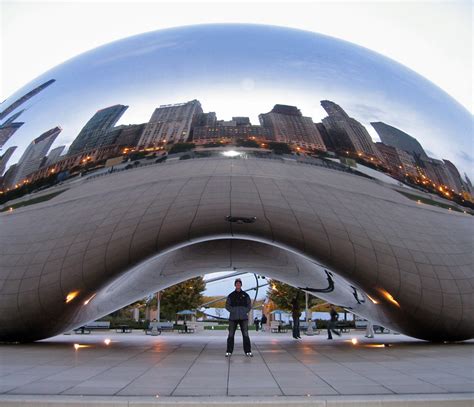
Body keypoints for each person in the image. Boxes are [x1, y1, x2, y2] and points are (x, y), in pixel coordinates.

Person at [225, 278, 252, 357]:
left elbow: (249, 305)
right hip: (233, 318)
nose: (238, 285)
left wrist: (244, 311)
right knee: (231, 334)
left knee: (246, 334)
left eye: (239, 284)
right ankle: (229, 351)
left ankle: (248, 351)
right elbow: (227, 306)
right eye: (237, 284)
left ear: (241, 285)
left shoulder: (245, 295)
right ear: (235, 285)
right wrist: (233, 311)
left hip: (243, 318)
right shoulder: (231, 295)